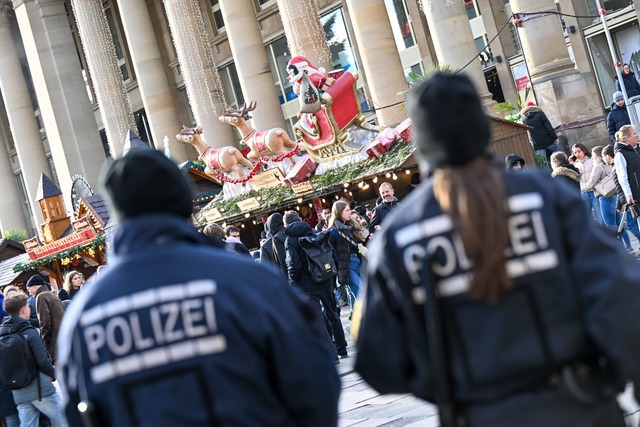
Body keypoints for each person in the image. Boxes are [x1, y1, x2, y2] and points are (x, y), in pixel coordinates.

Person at [355, 72, 640, 427]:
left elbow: (377, 360)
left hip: (479, 412)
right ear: (481, 128)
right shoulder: (544, 197)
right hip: (575, 405)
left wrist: (449, 385)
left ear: (423, 144)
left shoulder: (398, 238)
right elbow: (621, 296)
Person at [56, 149, 339, 427]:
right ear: (185, 204)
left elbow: (76, 412)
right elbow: (315, 380)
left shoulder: (84, 317)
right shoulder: (249, 282)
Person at [283, 210, 348, 360]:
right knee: (333, 315)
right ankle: (342, 349)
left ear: (286, 224)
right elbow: (330, 255)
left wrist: (294, 280)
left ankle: (332, 355)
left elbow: (293, 264)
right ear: (299, 219)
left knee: (317, 319)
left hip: (306, 285)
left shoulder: (291, 240)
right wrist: (332, 278)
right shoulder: (314, 232)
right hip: (325, 280)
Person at [0, 294, 67, 427]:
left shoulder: (3, 334)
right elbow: (42, 361)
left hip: (18, 391)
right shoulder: (29, 332)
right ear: (23, 310)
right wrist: (55, 375)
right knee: (65, 420)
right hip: (40, 388)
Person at [328, 200, 367, 304]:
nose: (350, 212)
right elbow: (331, 254)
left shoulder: (352, 226)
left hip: (359, 261)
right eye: (347, 210)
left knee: (357, 294)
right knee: (361, 292)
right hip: (347, 265)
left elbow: (361, 243)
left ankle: (356, 318)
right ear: (339, 212)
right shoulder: (333, 232)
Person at [26, 276, 64, 364]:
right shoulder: (51, 295)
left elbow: (45, 322)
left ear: (35, 286)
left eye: (29, 289)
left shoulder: (41, 297)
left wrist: (44, 339)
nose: (29, 293)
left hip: (55, 343)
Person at [520, 102, 558, 169]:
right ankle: (561, 168)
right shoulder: (540, 113)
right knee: (558, 153)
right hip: (548, 140)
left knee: (543, 163)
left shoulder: (523, 118)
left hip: (536, 143)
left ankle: (547, 178)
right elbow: (548, 126)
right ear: (534, 106)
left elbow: (527, 132)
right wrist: (555, 137)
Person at [573, 143, 603, 223]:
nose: (577, 154)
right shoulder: (575, 164)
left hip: (594, 192)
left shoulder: (591, 160)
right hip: (583, 193)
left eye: (579, 151)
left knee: (601, 218)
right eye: (575, 152)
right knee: (587, 219)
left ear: (584, 151)